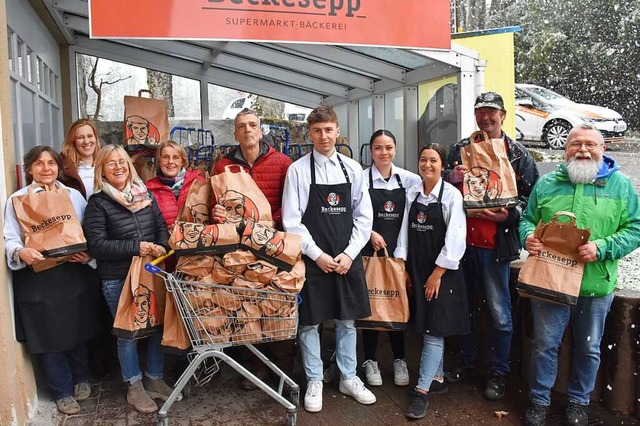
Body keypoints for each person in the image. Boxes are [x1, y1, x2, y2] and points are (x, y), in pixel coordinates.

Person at [519, 124, 640, 426]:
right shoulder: (547, 184)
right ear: (565, 149)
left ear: (603, 150)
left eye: (590, 144)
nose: (583, 150)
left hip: (595, 284)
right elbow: (527, 219)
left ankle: (578, 402)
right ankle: (539, 401)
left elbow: (636, 228)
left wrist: (604, 247)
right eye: (576, 144)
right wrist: (527, 238)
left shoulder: (621, 186)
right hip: (550, 282)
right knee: (544, 345)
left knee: (588, 347)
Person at [444, 92, 539, 400]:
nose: (486, 117)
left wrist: (509, 213)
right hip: (461, 245)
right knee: (465, 309)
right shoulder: (460, 149)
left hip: (496, 247)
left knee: (500, 312)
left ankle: (498, 372)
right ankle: (467, 362)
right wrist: (451, 175)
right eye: (480, 112)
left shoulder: (518, 153)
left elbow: (532, 198)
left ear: (503, 116)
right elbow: (439, 186)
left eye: (491, 112)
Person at [282, 105, 376, 413]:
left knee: (347, 321)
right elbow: (292, 220)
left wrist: (350, 253)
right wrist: (317, 255)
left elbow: (364, 217)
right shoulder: (297, 170)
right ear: (310, 133)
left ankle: (348, 377)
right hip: (314, 259)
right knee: (310, 323)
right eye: (317, 131)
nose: (324, 136)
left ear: (337, 130)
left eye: (328, 130)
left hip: (347, 258)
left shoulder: (353, 169)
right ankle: (315, 380)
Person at [3, 146, 100, 415]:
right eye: (39, 163)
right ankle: (61, 390)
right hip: (39, 276)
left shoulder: (73, 195)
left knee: (77, 328)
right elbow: (10, 237)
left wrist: (87, 254)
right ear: (29, 169)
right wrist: (21, 251)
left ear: (58, 168)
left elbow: (87, 230)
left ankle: (81, 377)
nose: (46, 168)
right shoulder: (17, 200)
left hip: (72, 272)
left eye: (51, 163)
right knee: (47, 334)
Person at [82, 145, 173, 413]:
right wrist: (137, 247)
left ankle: (154, 378)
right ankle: (134, 387)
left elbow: (160, 228)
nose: (119, 167)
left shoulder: (144, 195)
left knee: (156, 326)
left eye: (122, 162)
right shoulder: (98, 203)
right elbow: (97, 246)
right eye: (111, 164)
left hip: (150, 272)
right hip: (117, 278)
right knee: (128, 334)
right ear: (102, 170)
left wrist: (161, 247)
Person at [212, 108, 293, 390]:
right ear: (235, 133)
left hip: (273, 244)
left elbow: (292, 203)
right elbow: (216, 203)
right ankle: (256, 366)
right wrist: (218, 214)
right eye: (241, 126)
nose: (247, 130)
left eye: (252, 125)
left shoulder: (282, 163)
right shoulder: (222, 165)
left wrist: (269, 223)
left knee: (278, 305)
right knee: (246, 305)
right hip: (238, 249)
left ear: (261, 131)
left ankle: (283, 365)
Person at [394, 143, 469, 419]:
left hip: (442, 273)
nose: (427, 165)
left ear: (443, 166)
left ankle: (422, 391)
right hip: (417, 267)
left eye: (433, 161)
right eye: (423, 159)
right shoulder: (413, 193)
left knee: (433, 331)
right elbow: (404, 232)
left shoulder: (451, 196)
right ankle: (436, 379)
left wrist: (437, 274)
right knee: (427, 323)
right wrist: (403, 266)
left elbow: (456, 240)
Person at [360, 130, 422, 388]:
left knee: (397, 304)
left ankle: (399, 359)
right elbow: (355, 214)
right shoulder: (361, 179)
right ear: (371, 151)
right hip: (368, 252)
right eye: (378, 148)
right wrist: (371, 232)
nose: (383, 153)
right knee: (371, 305)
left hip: (398, 254)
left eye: (388, 148)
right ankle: (371, 360)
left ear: (395, 149)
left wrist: (402, 253)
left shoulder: (409, 179)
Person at [146, 140, 206, 231]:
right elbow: (145, 224)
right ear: (159, 161)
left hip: (198, 241)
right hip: (165, 243)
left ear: (182, 161)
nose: (170, 161)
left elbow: (211, 216)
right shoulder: (148, 189)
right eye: (165, 157)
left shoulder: (200, 184)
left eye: (175, 157)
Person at [60, 118, 101, 200]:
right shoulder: (62, 169)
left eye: (90, 136)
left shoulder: (107, 162)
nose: (86, 141)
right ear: (73, 141)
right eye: (80, 137)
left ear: (96, 138)